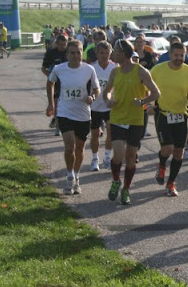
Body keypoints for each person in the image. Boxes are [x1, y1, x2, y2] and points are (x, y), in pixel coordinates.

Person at [103, 39, 160, 205]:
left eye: (115, 51)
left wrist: (142, 102)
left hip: (135, 120)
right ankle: (116, 181)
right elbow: (106, 92)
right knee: (118, 156)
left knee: (130, 157)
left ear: (123, 53)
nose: (113, 54)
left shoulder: (141, 71)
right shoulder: (115, 72)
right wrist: (108, 100)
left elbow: (156, 93)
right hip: (117, 118)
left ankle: (126, 189)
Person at [45, 40, 100, 195]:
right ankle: (69, 177)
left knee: (79, 148)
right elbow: (50, 83)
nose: (76, 56)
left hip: (83, 114)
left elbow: (97, 89)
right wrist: (51, 104)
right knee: (70, 147)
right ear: (67, 54)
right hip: (65, 113)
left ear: (82, 52)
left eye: (78, 52)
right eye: (72, 53)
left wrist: (92, 97)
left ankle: (76, 176)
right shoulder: (59, 69)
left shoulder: (89, 69)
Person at [151, 42, 188, 196]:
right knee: (167, 148)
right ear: (170, 55)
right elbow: (146, 88)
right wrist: (148, 105)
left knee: (179, 152)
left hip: (181, 115)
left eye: (182, 55)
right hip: (163, 114)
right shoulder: (158, 70)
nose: (179, 58)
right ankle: (161, 166)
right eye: (176, 55)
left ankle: (171, 183)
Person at [89, 41, 115, 171]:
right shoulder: (91, 68)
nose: (104, 56)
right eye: (101, 53)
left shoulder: (115, 68)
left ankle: (107, 157)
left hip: (109, 106)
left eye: (106, 53)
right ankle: (95, 159)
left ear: (110, 53)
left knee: (111, 132)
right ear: (97, 53)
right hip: (94, 107)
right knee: (95, 134)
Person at [42, 34, 69, 134]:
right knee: (57, 103)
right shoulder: (51, 53)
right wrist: (51, 77)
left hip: (68, 82)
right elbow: (43, 68)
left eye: (64, 44)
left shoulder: (69, 53)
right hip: (56, 83)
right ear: (57, 44)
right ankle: (58, 126)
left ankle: (59, 120)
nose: (63, 47)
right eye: (61, 44)